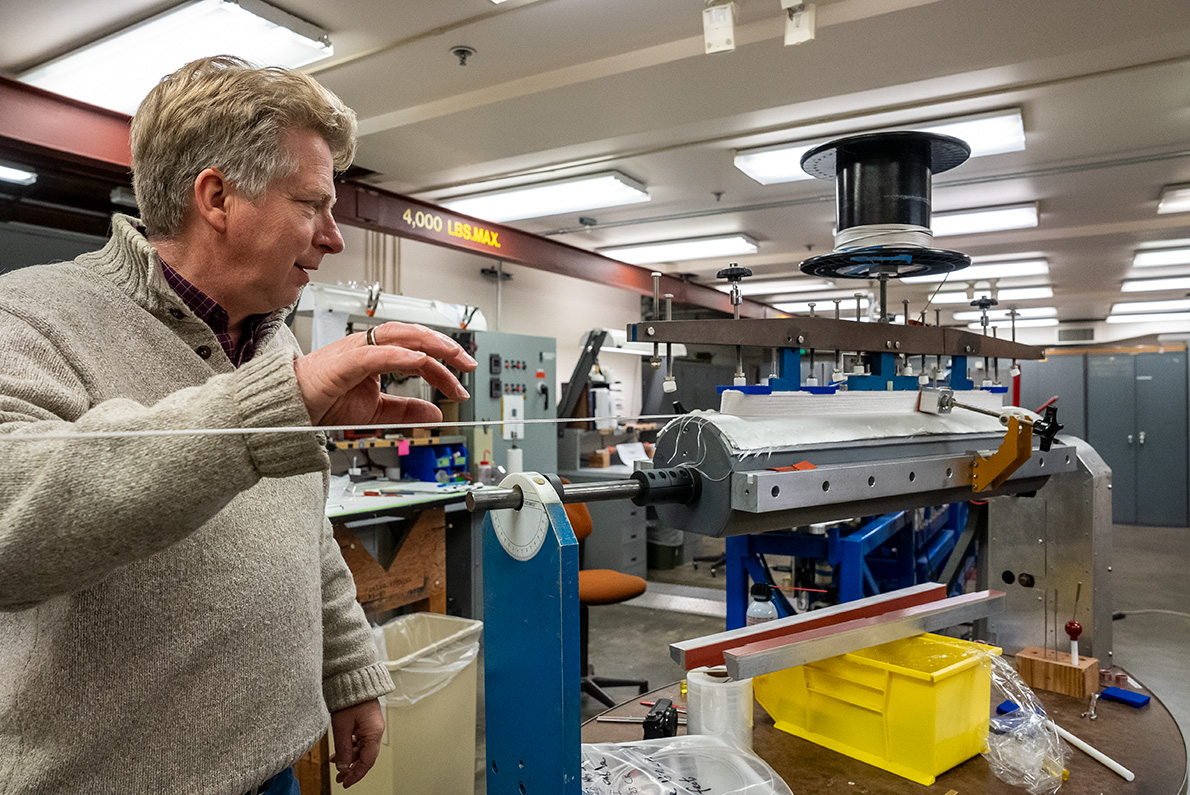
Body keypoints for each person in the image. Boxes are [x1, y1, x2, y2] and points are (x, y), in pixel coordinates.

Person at [0, 56, 476, 794]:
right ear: (218, 196)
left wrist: (348, 666)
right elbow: (9, 529)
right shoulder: (29, 318)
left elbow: (299, 524)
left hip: (270, 762)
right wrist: (269, 406)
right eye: (311, 204)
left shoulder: (268, 337)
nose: (333, 237)